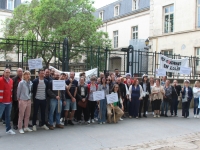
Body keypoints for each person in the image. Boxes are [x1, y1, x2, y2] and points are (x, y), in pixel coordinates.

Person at [0, 68, 16, 135]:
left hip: (9, 102)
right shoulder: (0, 80)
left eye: (9, 72)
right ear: (3, 73)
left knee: (8, 117)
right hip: (1, 102)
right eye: (6, 72)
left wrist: (11, 100)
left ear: (10, 73)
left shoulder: (11, 80)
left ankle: (8, 129)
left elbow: (11, 91)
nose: (7, 73)